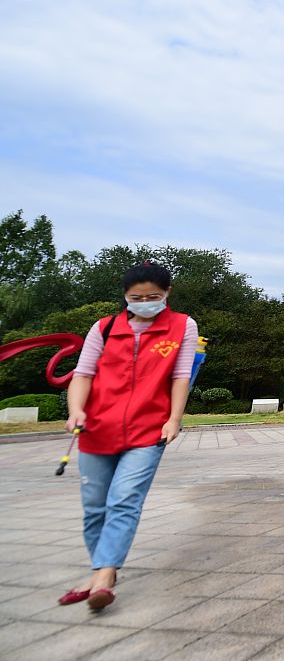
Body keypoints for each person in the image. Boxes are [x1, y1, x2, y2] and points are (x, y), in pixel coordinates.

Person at [59, 262, 198, 611]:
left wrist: (174, 419)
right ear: (125, 296)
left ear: (167, 293)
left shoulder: (182, 326)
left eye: (153, 296)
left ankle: (105, 576)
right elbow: (83, 374)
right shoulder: (104, 328)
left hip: (147, 430)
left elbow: (181, 376)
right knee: (94, 508)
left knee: (123, 501)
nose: (145, 302)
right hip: (95, 429)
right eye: (136, 297)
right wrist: (76, 409)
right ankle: (98, 572)